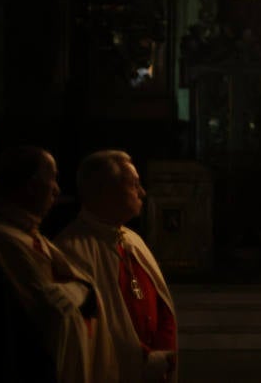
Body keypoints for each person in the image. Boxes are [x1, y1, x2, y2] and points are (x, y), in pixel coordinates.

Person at [0, 145, 115, 383]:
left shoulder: (33, 237)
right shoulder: (4, 239)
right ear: (30, 186)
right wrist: (82, 295)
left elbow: (81, 293)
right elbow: (51, 308)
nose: (56, 190)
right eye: (52, 179)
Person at [54, 150, 177, 382]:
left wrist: (165, 353)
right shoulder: (71, 251)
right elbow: (89, 334)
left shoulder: (134, 241)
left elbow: (162, 308)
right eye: (135, 185)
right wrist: (142, 359)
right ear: (107, 191)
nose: (142, 192)